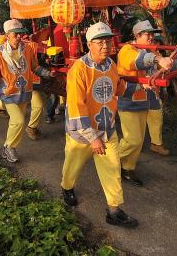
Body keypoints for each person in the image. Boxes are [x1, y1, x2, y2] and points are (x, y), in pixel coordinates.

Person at [61, 22, 138, 228]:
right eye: (100, 42)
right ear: (89, 45)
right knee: (72, 166)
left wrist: (143, 87)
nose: (105, 45)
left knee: (112, 168)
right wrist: (92, 137)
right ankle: (67, 187)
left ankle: (114, 210)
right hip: (83, 134)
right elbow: (76, 106)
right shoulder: (78, 69)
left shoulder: (110, 65)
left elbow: (118, 88)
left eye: (108, 41)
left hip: (107, 129)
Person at [0, 19, 53, 163]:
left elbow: (34, 66)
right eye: (16, 34)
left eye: (21, 34)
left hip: (24, 91)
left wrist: (47, 73)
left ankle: (6, 148)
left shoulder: (27, 49)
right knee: (19, 121)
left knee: (15, 124)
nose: (19, 37)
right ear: (7, 35)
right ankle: (10, 147)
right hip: (8, 93)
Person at [116, 20, 174, 186]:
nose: (151, 37)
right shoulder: (128, 50)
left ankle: (127, 168)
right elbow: (137, 61)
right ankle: (110, 162)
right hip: (128, 101)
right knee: (132, 140)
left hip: (143, 101)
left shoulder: (148, 50)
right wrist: (157, 60)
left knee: (139, 140)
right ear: (137, 36)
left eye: (152, 34)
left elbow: (158, 67)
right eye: (148, 34)